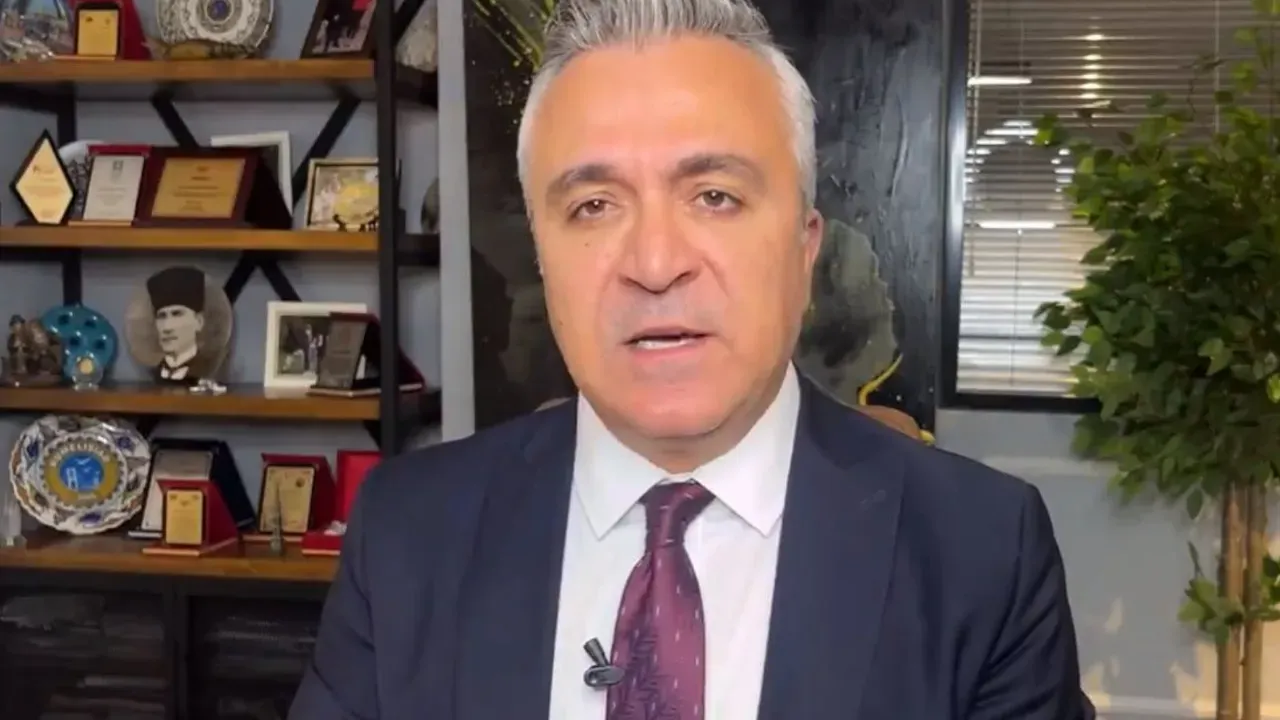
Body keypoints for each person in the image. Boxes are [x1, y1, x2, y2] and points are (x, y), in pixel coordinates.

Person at [289, 0, 1095, 718]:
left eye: (715, 196)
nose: (655, 262)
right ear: (543, 258)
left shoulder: (981, 553)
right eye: (593, 206)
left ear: (804, 248)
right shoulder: (407, 534)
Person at [145, 266, 205, 383]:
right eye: (161, 316)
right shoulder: (154, 372)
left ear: (199, 322)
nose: (167, 327)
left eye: (177, 314)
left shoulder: (207, 370)